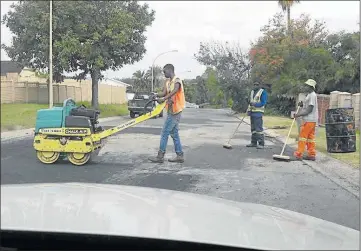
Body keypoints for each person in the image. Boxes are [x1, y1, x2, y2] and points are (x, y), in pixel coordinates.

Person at [149, 64, 186, 163]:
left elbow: (174, 91)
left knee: (165, 132)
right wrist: (156, 95)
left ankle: (160, 156)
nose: (164, 73)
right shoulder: (168, 82)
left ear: (170, 70)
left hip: (176, 111)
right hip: (170, 111)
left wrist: (164, 99)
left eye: (165, 72)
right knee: (174, 133)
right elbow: (164, 92)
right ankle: (180, 155)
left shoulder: (177, 81)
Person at [293, 79, 318, 161]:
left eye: (307, 85)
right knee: (310, 138)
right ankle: (311, 154)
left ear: (311, 87)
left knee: (303, 137)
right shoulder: (310, 95)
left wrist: (298, 115)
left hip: (309, 120)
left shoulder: (312, 95)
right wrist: (302, 104)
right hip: (312, 120)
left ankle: (299, 154)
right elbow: (307, 106)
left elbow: (309, 109)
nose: (305, 87)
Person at [246, 80, 268, 149]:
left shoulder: (262, 92)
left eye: (257, 84)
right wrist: (249, 110)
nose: (255, 86)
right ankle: (253, 142)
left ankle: (261, 143)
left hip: (258, 113)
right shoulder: (252, 92)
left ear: (259, 85)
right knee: (253, 129)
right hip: (252, 112)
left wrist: (255, 104)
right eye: (254, 84)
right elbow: (251, 102)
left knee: (258, 128)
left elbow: (263, 102)